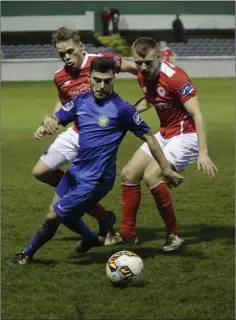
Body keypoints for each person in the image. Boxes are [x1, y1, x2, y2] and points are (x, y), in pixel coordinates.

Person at [9, 57, 184, 265]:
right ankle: (94, 238)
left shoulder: (122, 109)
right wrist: (47, 120)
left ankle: (27, 254)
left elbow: (149, 137)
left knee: (55, 216)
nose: (102, 86)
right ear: (89, 77)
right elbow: (55, 117)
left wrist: (165, 168)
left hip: (96, 180)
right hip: (76, 172)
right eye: (97, 80)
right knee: (58, 212)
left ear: (114, 78)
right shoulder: (81, 101)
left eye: (107, 81)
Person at [12, 27, 138, 263]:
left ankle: (86, 211)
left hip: (99, 134)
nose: (67, 57)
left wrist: (148, 96)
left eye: (70, 51)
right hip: (76, 132)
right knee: (40, 171)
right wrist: (49, 121)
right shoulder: (60, 76)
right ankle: (101, 216)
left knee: (74, 195)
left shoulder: (100, 62)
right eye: (62, 54)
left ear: (81, 46)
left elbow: (135, 68)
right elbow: (62, 103)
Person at [105, 37, 218, 252]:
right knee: (129, 174)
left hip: (187, 136)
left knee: (152, 175)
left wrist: (203, 153)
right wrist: (128, 113)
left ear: (158, 56)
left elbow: (198, 114)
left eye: (148, 62)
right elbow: (151, 98)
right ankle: (128, 234)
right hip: (166, 133)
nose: (143, 68)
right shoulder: (142, 74)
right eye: (139, 63)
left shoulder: (175, 77)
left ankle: (174, 236)